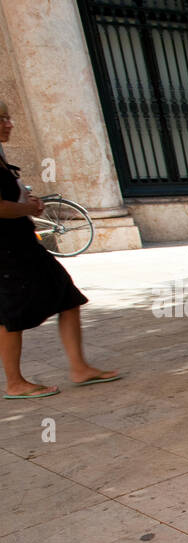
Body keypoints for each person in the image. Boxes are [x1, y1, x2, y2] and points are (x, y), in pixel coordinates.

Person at [0, 101, 119, 398]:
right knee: (11, 315)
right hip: (7, 251)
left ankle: (79, 367)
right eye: (3, 118)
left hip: (24, 244)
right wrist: (25, 206)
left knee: (67, 297)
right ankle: (14, 382)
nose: (10, 123)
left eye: (9, 117)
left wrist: (28, 200)